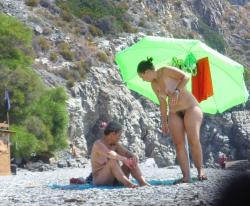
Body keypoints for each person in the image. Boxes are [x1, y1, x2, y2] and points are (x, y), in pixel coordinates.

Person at [137, 57, 207, 182]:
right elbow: (162, 103)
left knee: (193, 139)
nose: (143, 80)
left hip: (191, 107)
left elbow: (185, 77)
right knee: (178, 143)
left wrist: (176, 91)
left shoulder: (165, 70)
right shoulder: (154, 84)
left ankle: (200, 170)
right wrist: (164, 121)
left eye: (142, 76)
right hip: (174, 112)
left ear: (147, 72)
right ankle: (186, 177)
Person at [91, 121, 149, 188]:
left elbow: (127, 153)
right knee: (112, 161)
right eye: (119, 135)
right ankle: (129, 184)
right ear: (113, 134)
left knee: (130, 159)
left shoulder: (116, 145)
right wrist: (124, 159)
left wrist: (133, 157)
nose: (120, 138)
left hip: (115, 179)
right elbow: (110, 154)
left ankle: (143, 182)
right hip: (100, 180)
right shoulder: (98, 144)